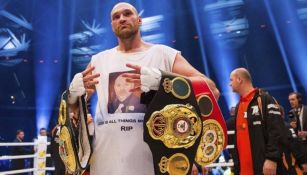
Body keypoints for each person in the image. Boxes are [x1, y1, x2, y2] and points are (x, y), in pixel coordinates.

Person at [67, 2, 219, 175]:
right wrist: (73, 97)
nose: (122, 19)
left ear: (139, 20)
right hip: (105, 164)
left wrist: (163, 80)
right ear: (112, 26)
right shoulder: (98, 60)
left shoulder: (163, 54)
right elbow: (74, 112)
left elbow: (211, 90)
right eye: (116, 17)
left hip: (155, 164)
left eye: (127, 14)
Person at [229, 68, 286, 175]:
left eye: (231, 80)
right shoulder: (238, 106)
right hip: (243, 170)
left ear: (239, 79)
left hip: (264, 168)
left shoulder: (265, 99)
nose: (229, 84)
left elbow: (277, 130)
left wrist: (271, 158)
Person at [288, 92, 307, 174]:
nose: (290, 102)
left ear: (299, 99)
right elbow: (292, 132)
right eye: (289, 100)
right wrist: (291, 127)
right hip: (299, 147)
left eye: (293, 99)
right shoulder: (291, 112)